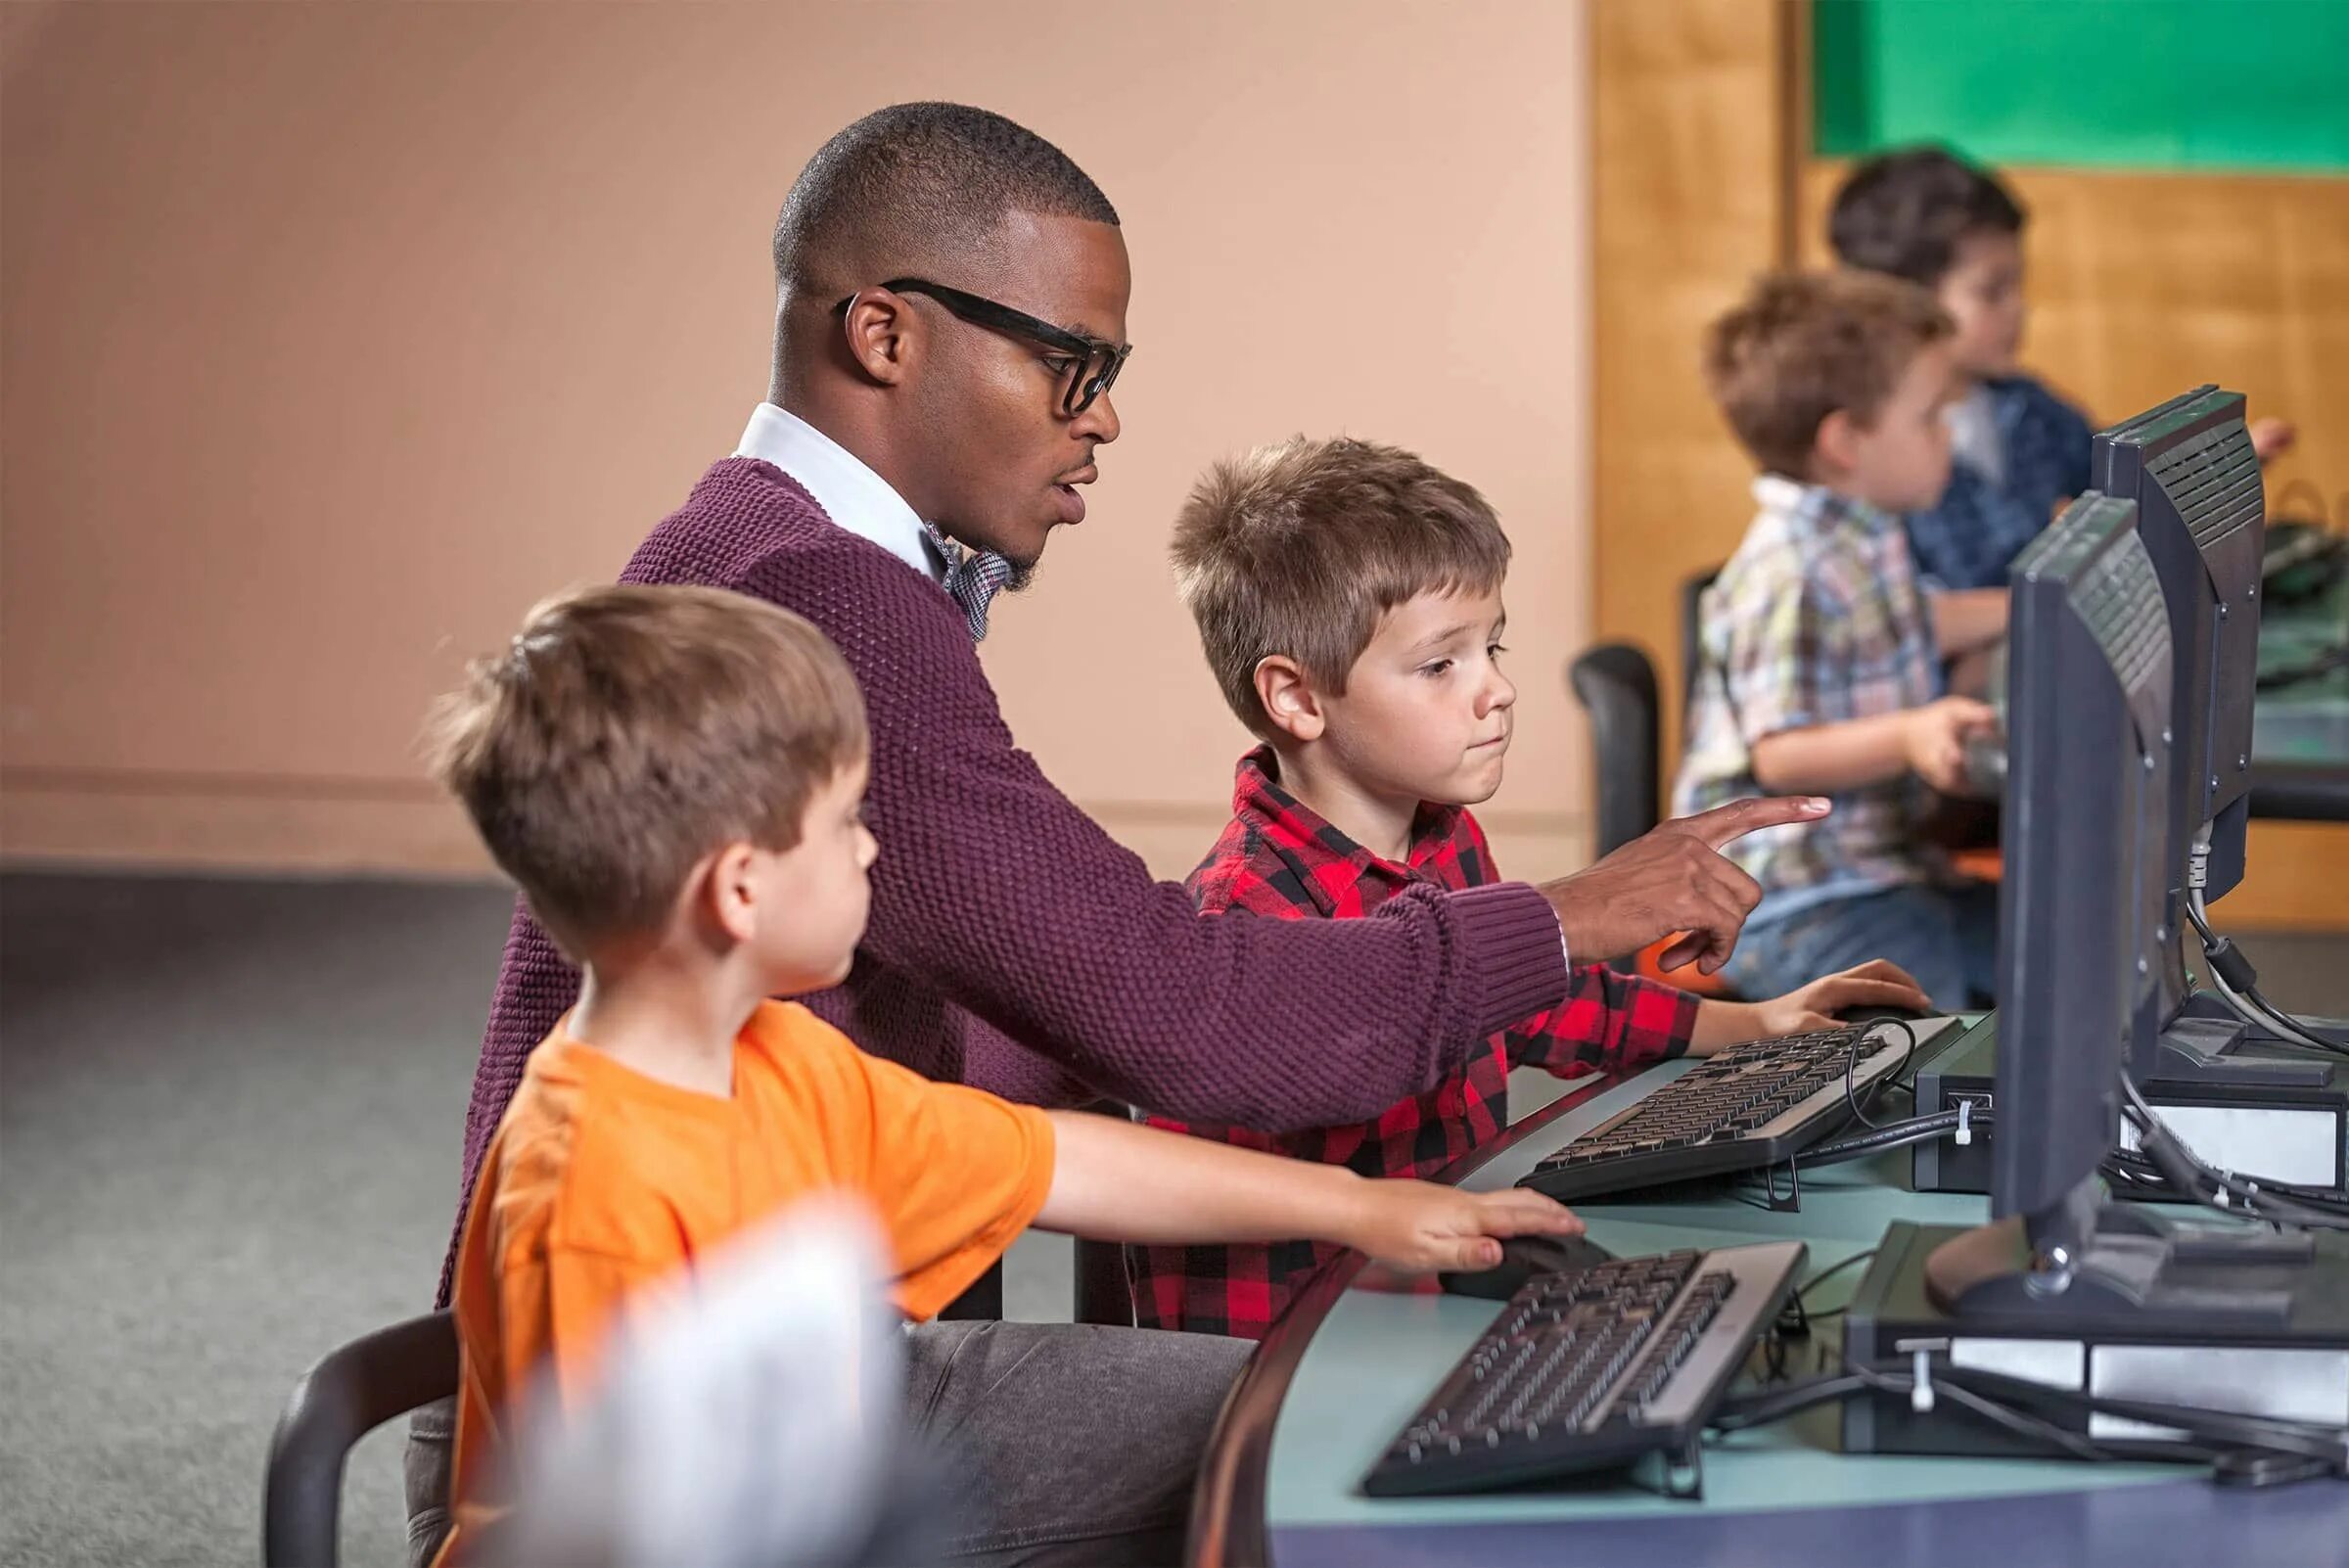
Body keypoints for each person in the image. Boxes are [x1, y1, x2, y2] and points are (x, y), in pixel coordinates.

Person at [425, 584, 1586, 1567]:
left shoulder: (774, 1055)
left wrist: (1372, 1211)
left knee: (1296, 1422)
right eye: (844, 826)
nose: (873, 849)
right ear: (738, 891)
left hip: (818, 1448)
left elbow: (1050, 1158)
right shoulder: (593, 1201)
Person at [1126, 436, 1930, 1336]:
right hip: (1297, 1334)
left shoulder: (1442, 834)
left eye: (1492, 648)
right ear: (1298, 699)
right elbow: (1208, 1191)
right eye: (1442, 665)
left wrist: (1752, 1023)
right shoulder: (1240, 917)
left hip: (1438, 1284)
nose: (1499, 690)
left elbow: (1531, 1003)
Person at [1674, 271, 2009, 1011]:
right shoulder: (1789, 568)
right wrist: (1911, 734)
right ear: (1846, 441)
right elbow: (1781, 754)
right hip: (1795, 895)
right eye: (1930, 418)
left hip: (1883, 867)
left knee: (2057, 954)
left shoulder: (1864, 531)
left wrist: (2039, 603)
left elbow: (1923, 621)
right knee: (1936, 1041)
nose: (1947, 435)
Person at [1828, 145, 2294, 591]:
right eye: (1992, 292)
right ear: (1906, 302)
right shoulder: (1870, 451)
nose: (2020, 310)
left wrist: (2203, 470)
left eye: (2018, 286)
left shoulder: (2024, 406)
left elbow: (2113, 479)